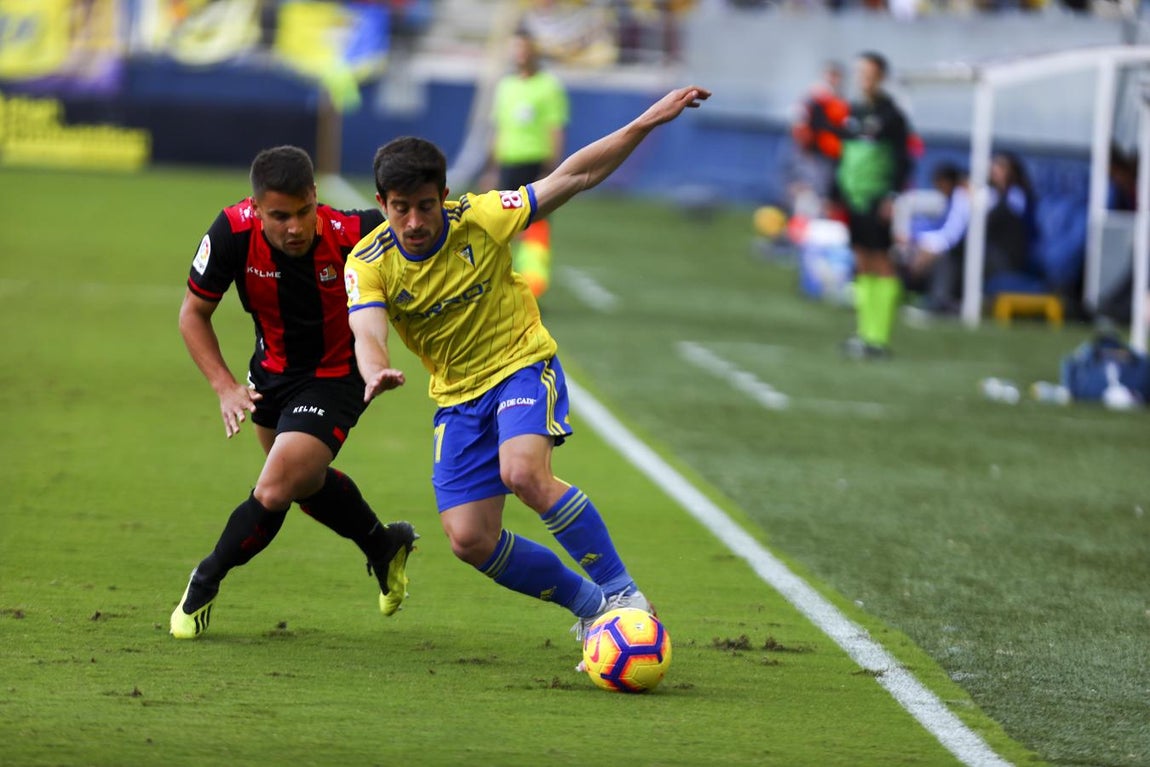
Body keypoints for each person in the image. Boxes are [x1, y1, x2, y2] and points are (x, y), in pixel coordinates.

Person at [344, 87, 710, 657]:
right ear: (381, 201)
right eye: (399, 207)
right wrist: (376, 370)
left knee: (523, 474)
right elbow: (367, 330)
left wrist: (645, 121)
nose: (413, 221)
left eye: (424, 205)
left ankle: (626, 596)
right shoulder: (368, 262)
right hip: (457, 397)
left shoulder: (483, 217)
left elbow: (576, 175)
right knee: (470, 539)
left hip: (520, 365)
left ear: (444, 195)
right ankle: (593, 610)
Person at [170, 146, 418, 639]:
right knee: (304, 484)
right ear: (256, 208)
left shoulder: (356, 232)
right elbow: (192, 315)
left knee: (275, 485)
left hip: (339, 375)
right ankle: (383, 545)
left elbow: (423, 249)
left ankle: (203, 584)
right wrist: (224, 387)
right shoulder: (230, 233)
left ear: (315, 196)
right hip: (271, 375)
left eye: (304, 211)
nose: (296, 227)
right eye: (280, 216)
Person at [834, 51, 912, 359]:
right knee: (862, 260)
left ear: (880, 77)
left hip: (877, 197)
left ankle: (879, 338)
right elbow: (846, 154)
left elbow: (904, 160)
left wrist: (892, 196)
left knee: (882, 262)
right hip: (854, 196)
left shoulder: (892, 116)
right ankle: (864, 333)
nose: (863, 79)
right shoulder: (852, 112)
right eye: (859, 73)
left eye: (868, 73)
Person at [488, 29, 570, 300]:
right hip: (508, 163)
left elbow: (555, 129)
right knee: (502, 227)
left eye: (523, 48)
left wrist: (551, 169)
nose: (519, 54)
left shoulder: (548, 87)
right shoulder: (506, 86)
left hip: (534, 163)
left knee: (535, 228)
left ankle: (531, 291)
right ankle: (501, 287)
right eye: (516, 48)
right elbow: (499, 128)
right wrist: (492, 167)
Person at [788, 60, 849, 219]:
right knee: (810, 196)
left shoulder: (841, 102)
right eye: (830, 75)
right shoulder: (811, 100)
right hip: (814, 157)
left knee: (827, 200)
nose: (833, 80)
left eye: (836, 76)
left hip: (835, 158)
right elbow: (799, 130)